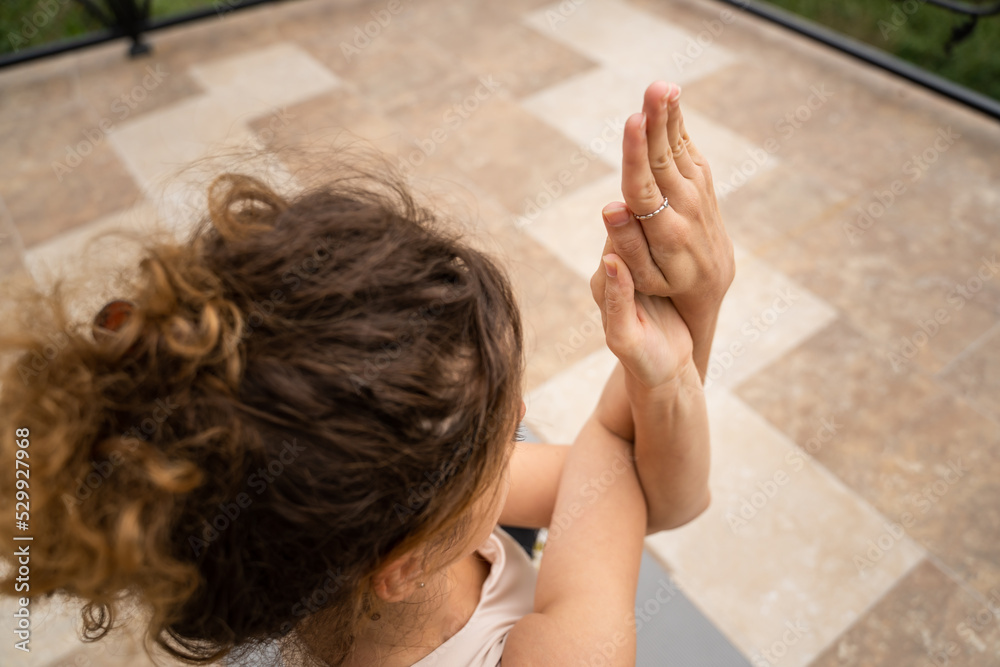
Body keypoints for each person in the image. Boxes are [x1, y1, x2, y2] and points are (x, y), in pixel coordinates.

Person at [0, 80, 733, 666]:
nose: (518, 419)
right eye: (489, 429)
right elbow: (629, 470)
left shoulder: (308, 550)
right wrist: (699, 303)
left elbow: (641, 484)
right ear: (403, 565)